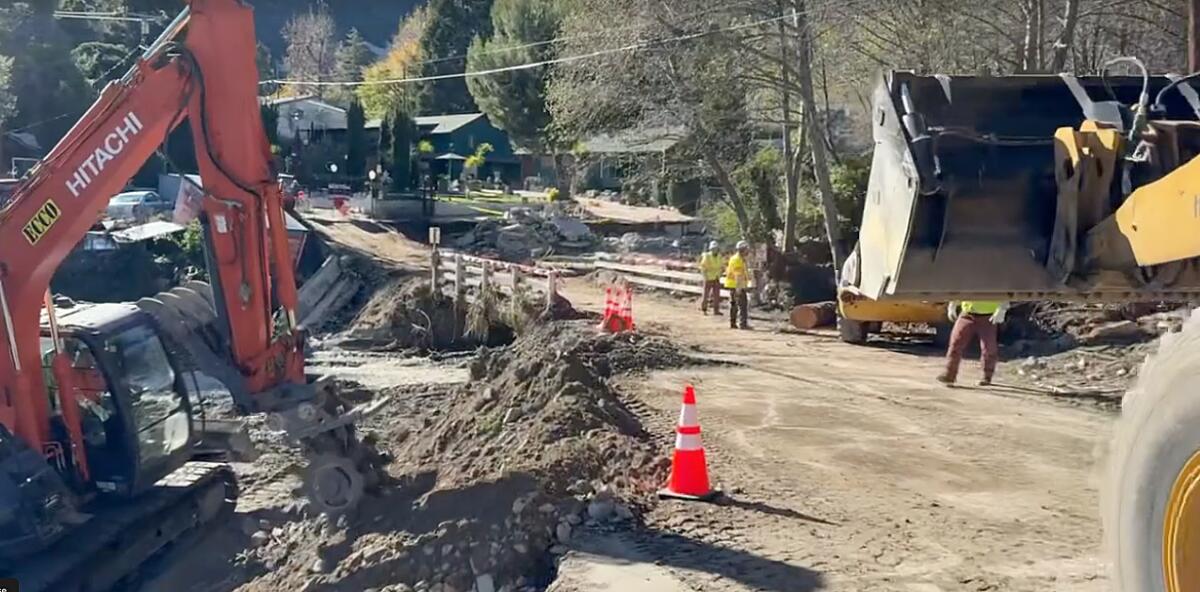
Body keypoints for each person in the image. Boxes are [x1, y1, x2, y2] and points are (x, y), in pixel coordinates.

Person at [937, 300, 1010, 386]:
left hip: (988, 317)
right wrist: (952, 304)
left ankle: (987, 376)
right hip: (967, 314)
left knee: (988, 347)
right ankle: (949, 375)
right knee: (955, 343)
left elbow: (1004, 292)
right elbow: (960, 289)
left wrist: (1002, 308)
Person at [724, 241, 751, 330]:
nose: (748, 251)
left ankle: (733, 323)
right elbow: (738, 275)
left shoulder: (737, 258)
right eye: (747, 249)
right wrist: (739, 288)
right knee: (742, 305)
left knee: (734, 304)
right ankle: (742, 324)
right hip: (736, 285)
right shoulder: (737, 260)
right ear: (743, 250)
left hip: (734, 285)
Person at [698, 241, 724, 315]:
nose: (715, 250)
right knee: (706, 294)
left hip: (716, 277)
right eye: (713, 248)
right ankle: (704, 309)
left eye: (716, 248)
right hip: (708, 278)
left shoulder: (719, 256)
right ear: (711, 249)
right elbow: (703, 267)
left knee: (716, 295)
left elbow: (721, 265)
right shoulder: (707, 256)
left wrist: (720, 273)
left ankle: (716, 310)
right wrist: (705, 276)